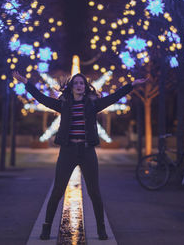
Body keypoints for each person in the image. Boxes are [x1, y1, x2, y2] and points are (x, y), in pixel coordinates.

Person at [12, 70, 148, 240]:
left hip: (87, 151)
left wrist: (131, 85)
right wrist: (26, 82)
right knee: (57, 191)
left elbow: (114, 96)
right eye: (76, 83)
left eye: (82, 83)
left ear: (85, 87)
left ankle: (101, 229)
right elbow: (42, 98)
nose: (79, 85)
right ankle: (46, 227)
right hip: (68, 151)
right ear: (71, 87)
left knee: (94, 192)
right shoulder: (63, 104)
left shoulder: (93, 104)